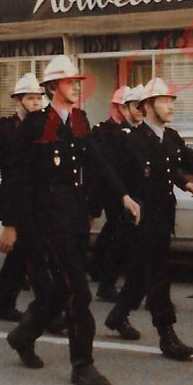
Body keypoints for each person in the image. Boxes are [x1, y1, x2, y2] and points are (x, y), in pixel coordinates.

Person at [0, 55, 140, 385]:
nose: (76, 86)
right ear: (51, 87)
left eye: (78, 81)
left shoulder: (78, 119)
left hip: (74, 215)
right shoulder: (35, 124)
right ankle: (82, 365)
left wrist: (122, 195)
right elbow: (15, 176)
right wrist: (10, 223)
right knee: (78, 291)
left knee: (61, 291)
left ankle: (24, 334)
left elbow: (98, 161)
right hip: (45, 221)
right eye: (69, 81)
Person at [102, 77, 193, 360]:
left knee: (141, 274)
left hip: (163, 216)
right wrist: (123, 201)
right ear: (148, 106)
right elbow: (115, 175)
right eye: (164, 101)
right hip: (139, 219)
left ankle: (117, 315)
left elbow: (192, 163)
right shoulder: (132, 140)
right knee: (158, 277)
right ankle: (167, 336)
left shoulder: (171, 137)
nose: (170, 106)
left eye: (171, 100)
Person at [0, 72, 46, 321]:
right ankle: (45, 308)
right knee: (31, 253)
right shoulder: (2, 129)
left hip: (41, 198)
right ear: (17, 100)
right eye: (30, 97)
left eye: (39, 97)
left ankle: (3, 302)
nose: (36, 102)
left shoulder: (47, 127)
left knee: (23, 253)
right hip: (15, 197)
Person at [87, 84, 134, 301]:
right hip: (107, 188)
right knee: (118, 228)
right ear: (116, 107)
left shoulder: (132, 130)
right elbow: (102, 164)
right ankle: (105, 278)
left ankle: (96, 265)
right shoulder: (102, 130)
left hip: (125, 187)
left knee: (114, 228)